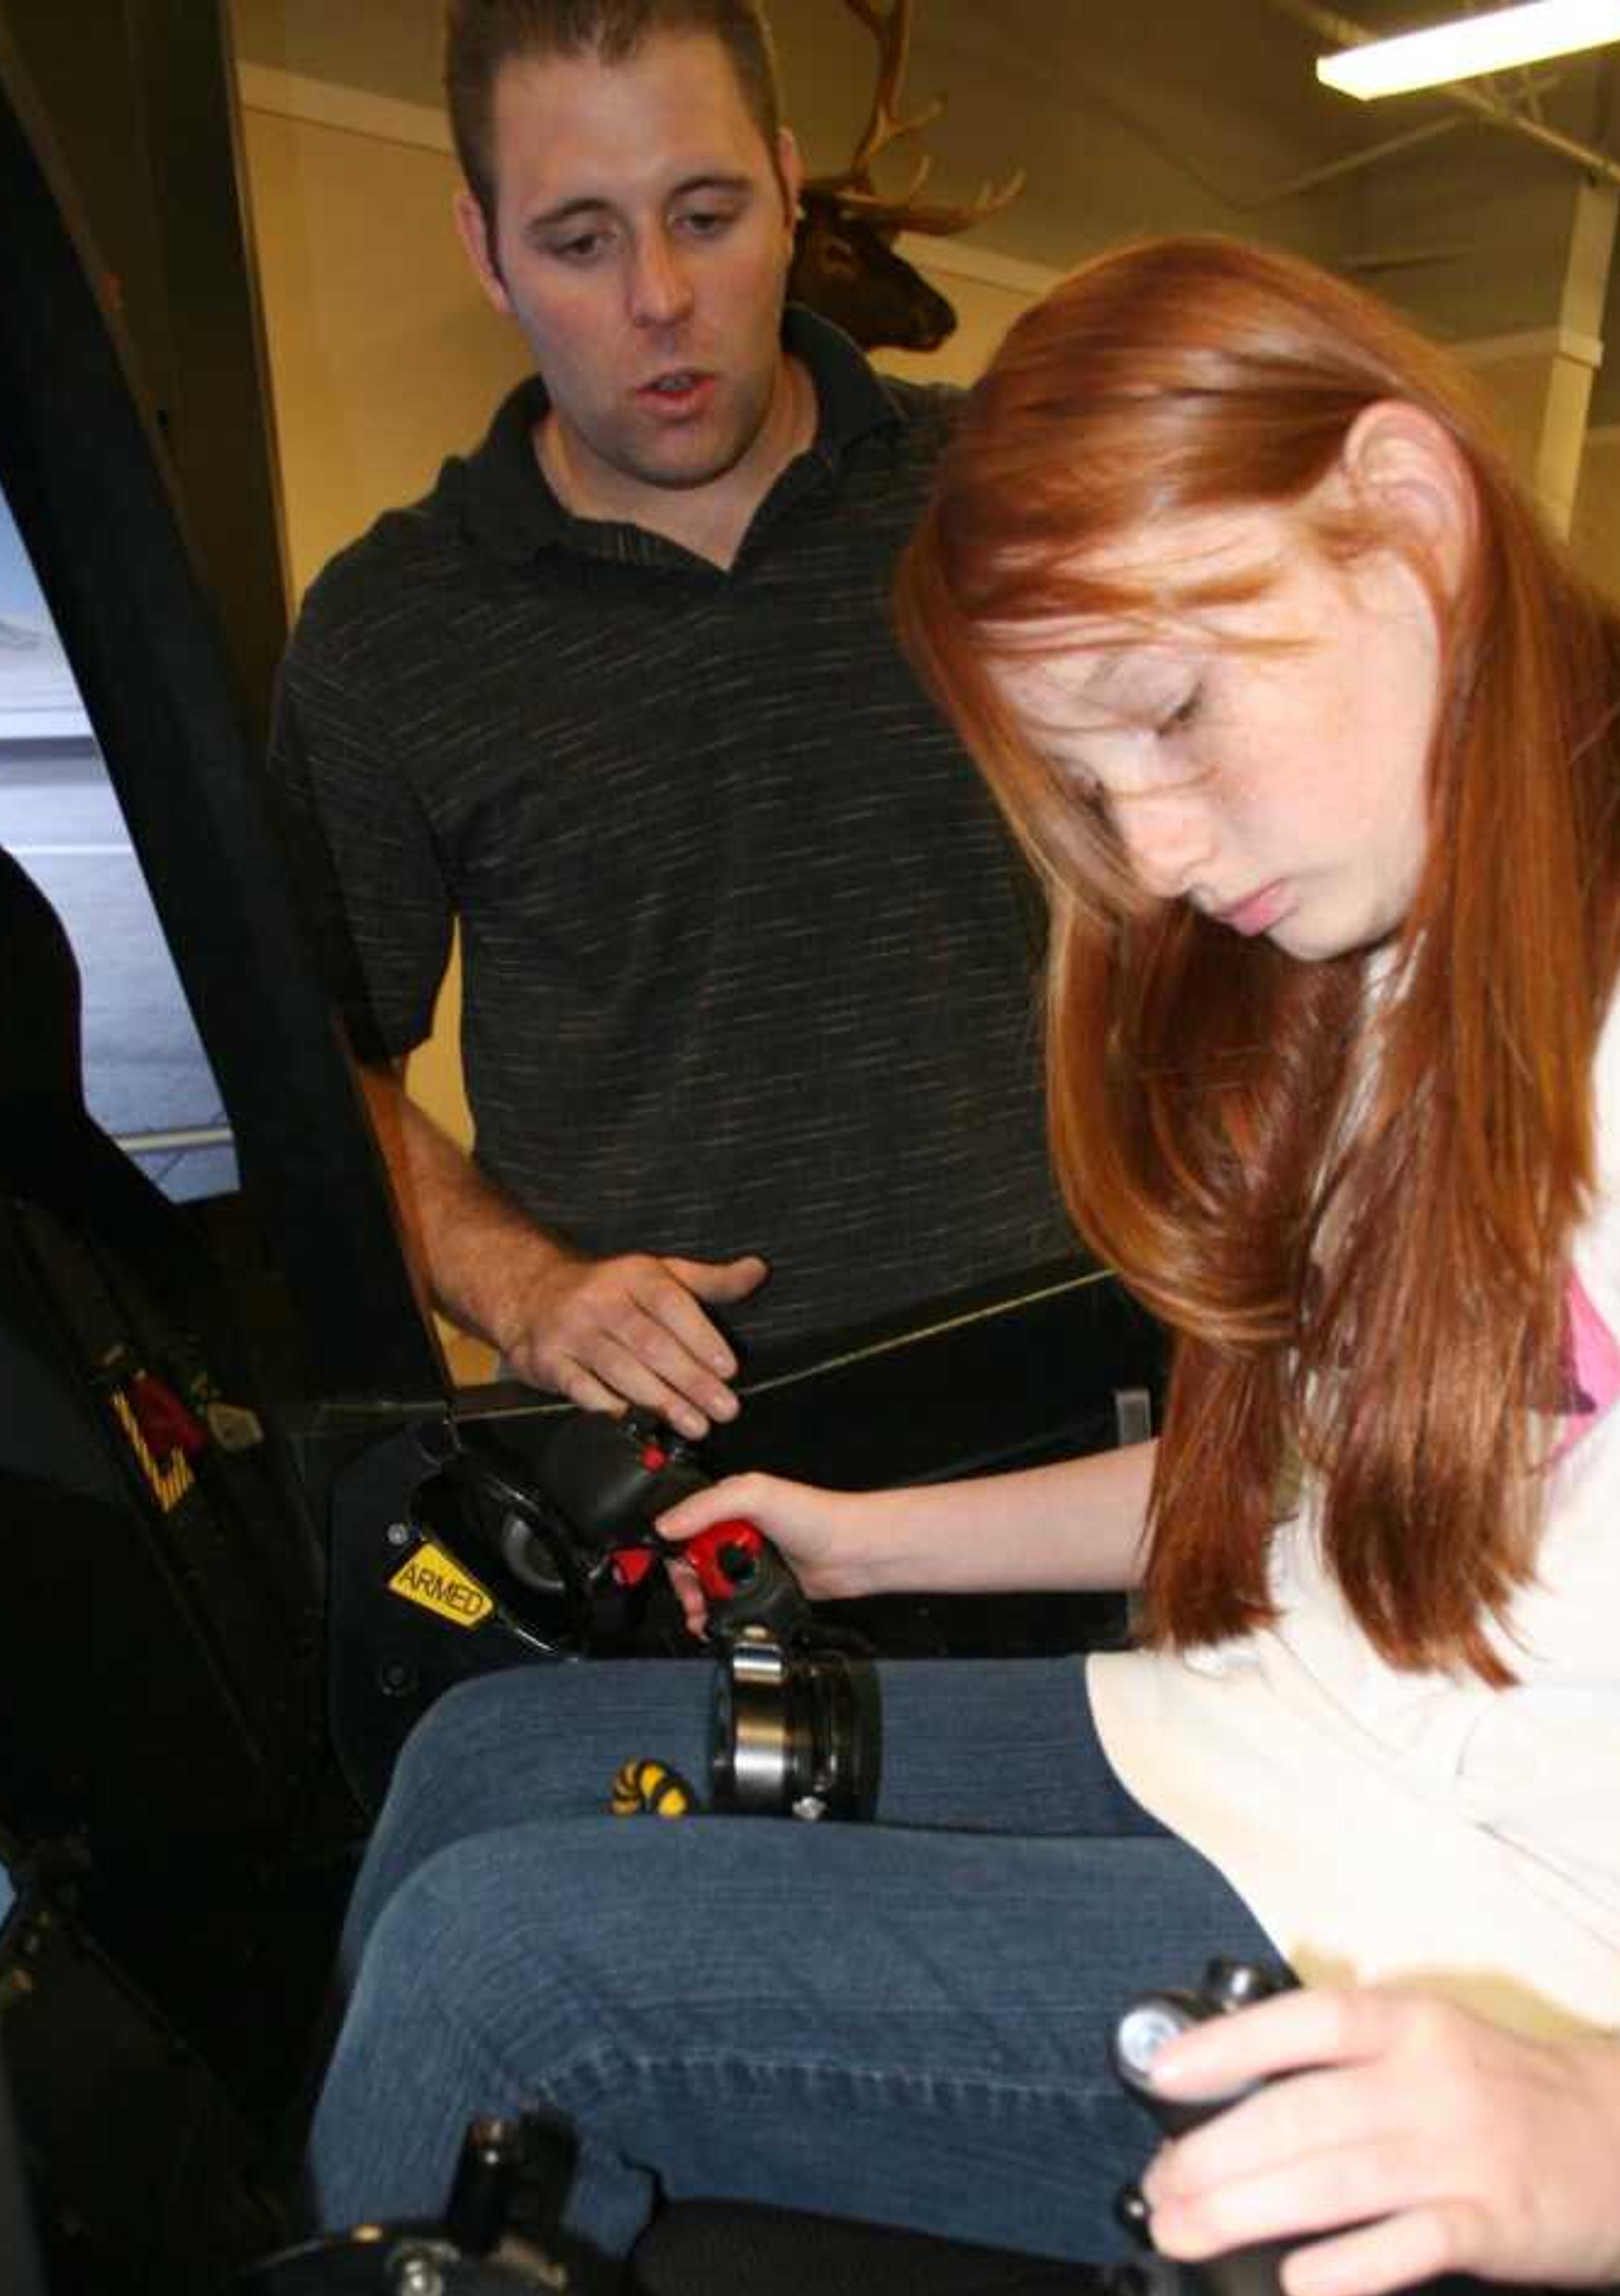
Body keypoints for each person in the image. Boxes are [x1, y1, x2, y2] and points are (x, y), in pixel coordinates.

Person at [308, 235, 1620, 2296]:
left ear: (1407, 516)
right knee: (482, 1760)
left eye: (1179, 721)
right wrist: (867, 1548)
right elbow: (1358, 1468)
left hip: (1569, 1964)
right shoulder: (1418, 938)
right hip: (1303, 1760)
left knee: (508, 1992)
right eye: (1101, 796)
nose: (1168, 859)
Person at [266, 0, 1072, 1444]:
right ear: (485, 250)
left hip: (1062, 1413)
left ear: (783, 182)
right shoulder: (388, 631)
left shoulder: (1005, 495)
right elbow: (318, 1066)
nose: (657, 296)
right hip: (661, 1483)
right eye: (579, 242)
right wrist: (522, 1290)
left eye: (705, 216)